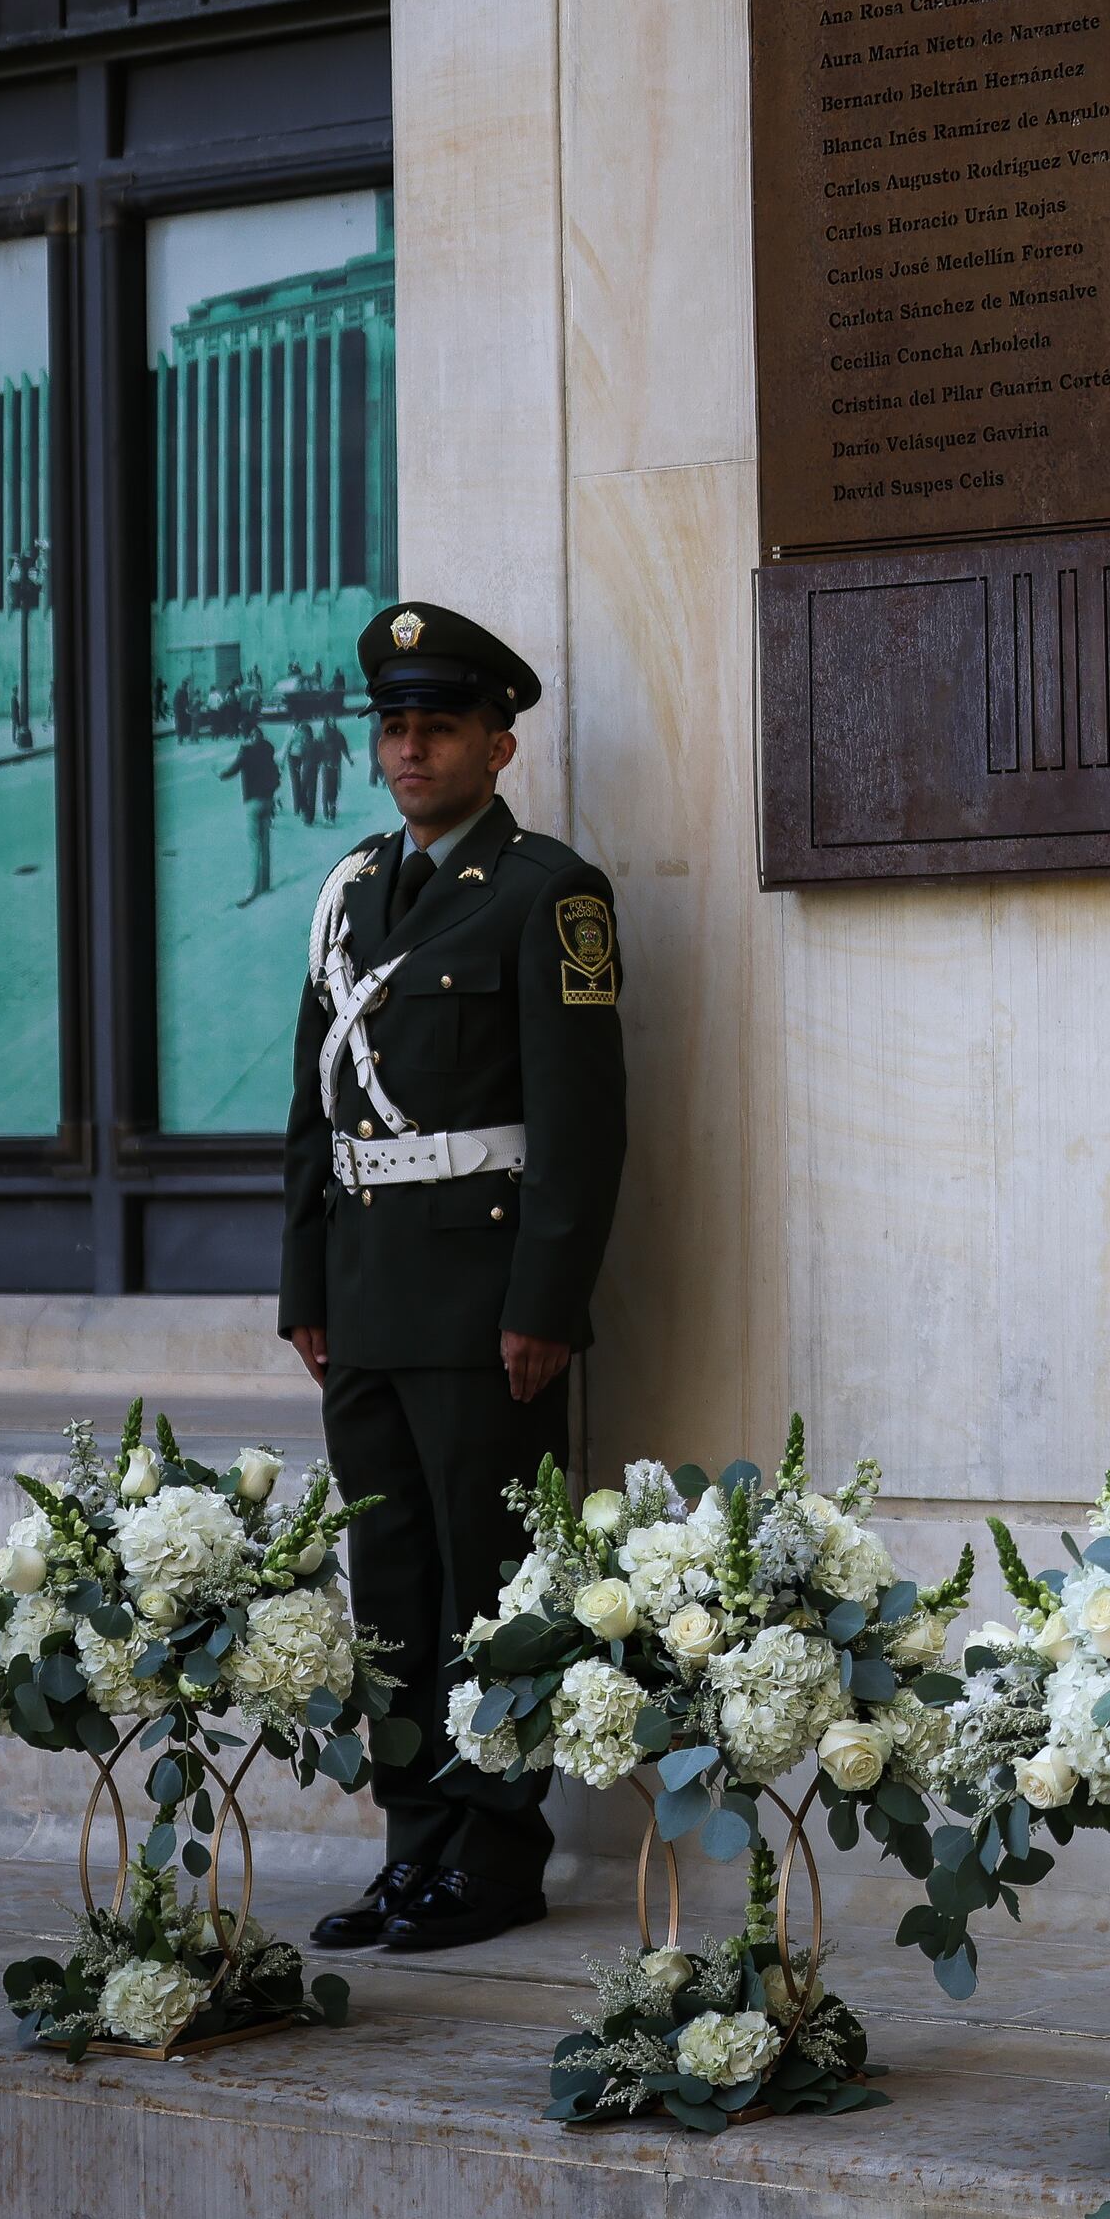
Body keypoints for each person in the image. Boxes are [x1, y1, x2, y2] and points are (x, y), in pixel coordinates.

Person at [282, 601, 626, 1958]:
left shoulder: (553, 893)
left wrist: (546, 1300)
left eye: (439, 725)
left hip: (486, 1307)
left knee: (492, 1579)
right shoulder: (351, 891)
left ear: (500, 741)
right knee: (395, 1587)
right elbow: (311, 1111)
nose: (410, 746)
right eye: (394, 725)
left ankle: (494, 1850)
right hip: (364, 1294)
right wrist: (302, 1279)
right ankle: (413, 1844)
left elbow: (583, 1122)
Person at [229, 719, 282, 903]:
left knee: (254, 846)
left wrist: (220, 774)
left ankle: (253, 889)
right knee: (266, 844)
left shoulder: (246, 752)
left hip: (252, 803)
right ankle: (266, 884)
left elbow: (232, 770)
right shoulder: (268, 749)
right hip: (267, 801)